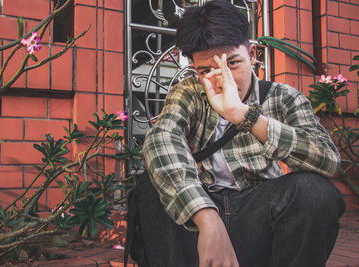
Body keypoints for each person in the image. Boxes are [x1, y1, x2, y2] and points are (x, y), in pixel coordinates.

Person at [140, 0, 345, 266]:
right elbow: (160, 140)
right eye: (206, 70)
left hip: (258, 217)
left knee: (314, 191)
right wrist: (205, 216)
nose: (222, 79)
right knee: (151, 186)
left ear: (254, 54)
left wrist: (244, 116)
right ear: (194, 68)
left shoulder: (284, 97)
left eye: (233, 63)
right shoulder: (189, 91)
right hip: (198, 221)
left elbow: (328, 160)